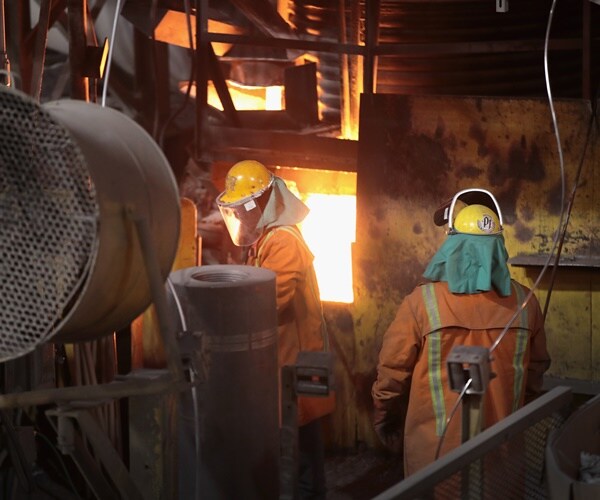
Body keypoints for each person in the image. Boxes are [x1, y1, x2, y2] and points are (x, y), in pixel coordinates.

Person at [371, 188, 551, 477]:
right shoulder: (526, 303)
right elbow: (535, 378)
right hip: (500, 460)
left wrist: (383, 418)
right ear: (499, 247)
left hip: (435, 463)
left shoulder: (422, 303)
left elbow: (391, 374)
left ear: (451, 247)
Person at [217, 159, 335, 499]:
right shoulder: (268, 238)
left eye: (242, 209)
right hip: (284, 368)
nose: (239, 217)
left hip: (295, 368)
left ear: (261, 203)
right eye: (235, 211)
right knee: (296, 457)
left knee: (301, 465)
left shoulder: (282, 242)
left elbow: (267, 303)